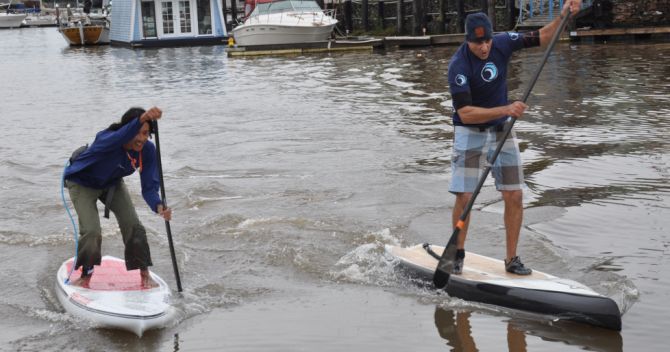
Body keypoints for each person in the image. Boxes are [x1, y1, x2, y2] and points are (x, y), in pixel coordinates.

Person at [446, 1, 582, 275]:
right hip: (469, 131)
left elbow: (543, 37)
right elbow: (466, 113)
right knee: (465, 196)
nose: (483, 48)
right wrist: (506, 109)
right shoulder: (458, 66)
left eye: (486, 42)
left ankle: (511, 260)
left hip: (502, 130)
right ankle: (457, 254)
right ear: (467, 40)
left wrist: (565, 15)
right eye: (477, 44)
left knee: (515, 194)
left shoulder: (503, 42)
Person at [64, 107, 172, 288]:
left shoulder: (147, 151)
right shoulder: (106, 139)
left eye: (146, 133)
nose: (142, 138)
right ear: (126, 130)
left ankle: (144, 274)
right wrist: (142, 118)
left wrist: (159, 206)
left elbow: (149, 187)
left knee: (133, 225)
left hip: (111, 183)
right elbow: (119, 137)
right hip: (82, 182)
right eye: (137, 132)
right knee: (92, 231)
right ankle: (86, 275)